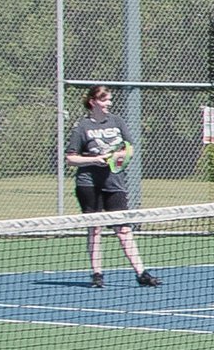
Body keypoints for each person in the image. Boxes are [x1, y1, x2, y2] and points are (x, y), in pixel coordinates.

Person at [67, 83, 157, 287]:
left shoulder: (117, 122)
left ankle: (141, 273)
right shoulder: (82, 127)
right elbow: (71, 159)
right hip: (88, 184)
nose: (109, 103)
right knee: (95, 229)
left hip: (115, 183)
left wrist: (116, 156)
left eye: (109, 100)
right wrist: (94, 160)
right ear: (93, 102)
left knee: (124, 229)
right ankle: (97, 274)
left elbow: (129, 148)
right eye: (104, 100)